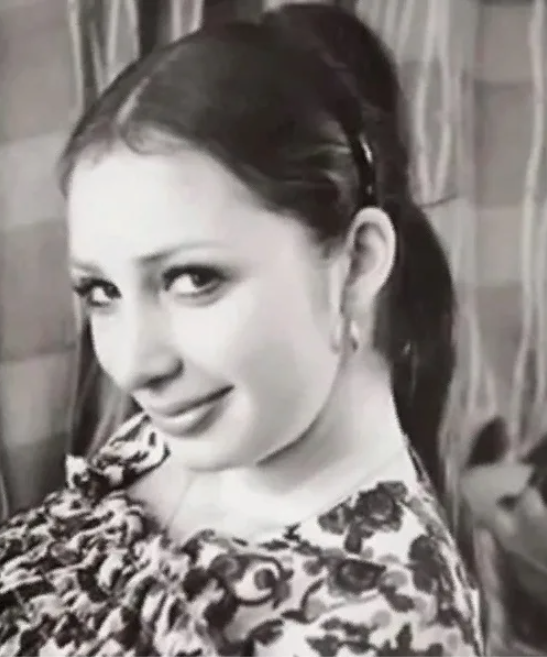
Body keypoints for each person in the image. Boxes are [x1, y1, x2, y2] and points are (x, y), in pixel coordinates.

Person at [0, 3, 483, 655]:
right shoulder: (175, 437)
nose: (134, 364)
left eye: (194, 278)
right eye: (102, 292)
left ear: (358, 260)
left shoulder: (384, 626)